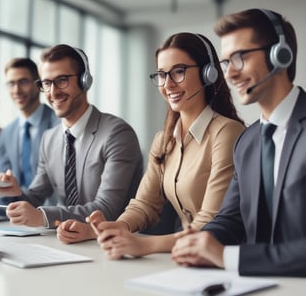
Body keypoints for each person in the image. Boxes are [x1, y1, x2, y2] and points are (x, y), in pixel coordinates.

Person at [171, 8, 306, 277]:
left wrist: (226, 256)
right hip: (255, 290)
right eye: (225, 62)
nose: (229, 74)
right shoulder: (248, 141)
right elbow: (230, 219)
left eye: (239, 58)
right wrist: (200, 242)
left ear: (279, 54)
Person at [86, 32, 246, 259]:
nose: (168, 84)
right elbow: (145, 204)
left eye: (179, 71)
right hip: (183, 257)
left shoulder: (227, 133)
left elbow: (211, 221)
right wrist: (118, 228)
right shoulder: (164, 140)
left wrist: (144, 245)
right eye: (161, 75)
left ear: (207, 73)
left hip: (222, 260)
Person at [0, 44, 143, 241]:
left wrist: (43, 216)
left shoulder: (117, 134)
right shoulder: (50, 138)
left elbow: (107, 208)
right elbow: (35, 197)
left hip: (114, 244)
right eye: (46, 83)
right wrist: (15, 192)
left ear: (84, 81)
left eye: (62, 80)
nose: (53, 92)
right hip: (66, 242)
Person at [0, 57, 59, 191]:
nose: (17, 90)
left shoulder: (59, 124)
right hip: (15, 207)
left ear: (38, 84)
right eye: (11, 84)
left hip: (50, 209)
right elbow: (1, 182)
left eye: (23, 82)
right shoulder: (7, 132)